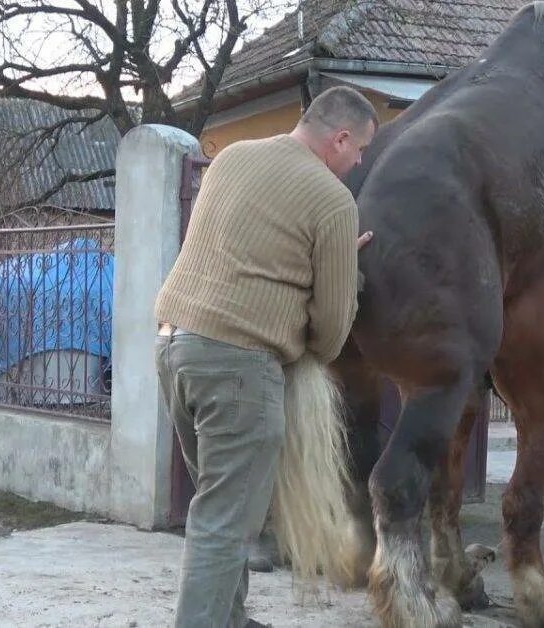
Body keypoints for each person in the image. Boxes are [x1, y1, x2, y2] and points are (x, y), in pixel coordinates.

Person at [153, 85, 378, 628]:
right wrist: (342, 270)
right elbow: (328, 334)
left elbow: (245, 247)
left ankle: (229, 618)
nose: (360, 161)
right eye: (361, 149)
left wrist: (315, 257)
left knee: (223, 506)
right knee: (226, 521)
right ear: (340, 138)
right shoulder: (332, 201)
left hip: (173, 348)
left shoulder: (231, 158)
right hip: (238, 370)